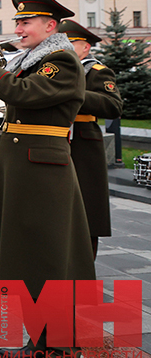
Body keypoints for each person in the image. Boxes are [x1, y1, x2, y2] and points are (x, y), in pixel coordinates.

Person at [0, 0, 94, 358]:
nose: (18, 29)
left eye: (27, 22)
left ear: (51, 25)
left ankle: (64, 353)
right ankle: (40, 343)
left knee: (51, 261)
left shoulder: (61, 61)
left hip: (43, 170)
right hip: (21, 167)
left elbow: (22, 94)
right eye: (17, 21)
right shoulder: (31, 58)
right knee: (28, 260)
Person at [58, 19, 123, 259]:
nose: (63, 47)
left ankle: (84, 266)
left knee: (87, 209)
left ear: (85, 47)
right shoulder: (57, 68)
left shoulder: (96, 71)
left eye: (70, 43)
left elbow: (113, 105)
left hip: (84, 145)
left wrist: (73, 92)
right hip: (57, 140)